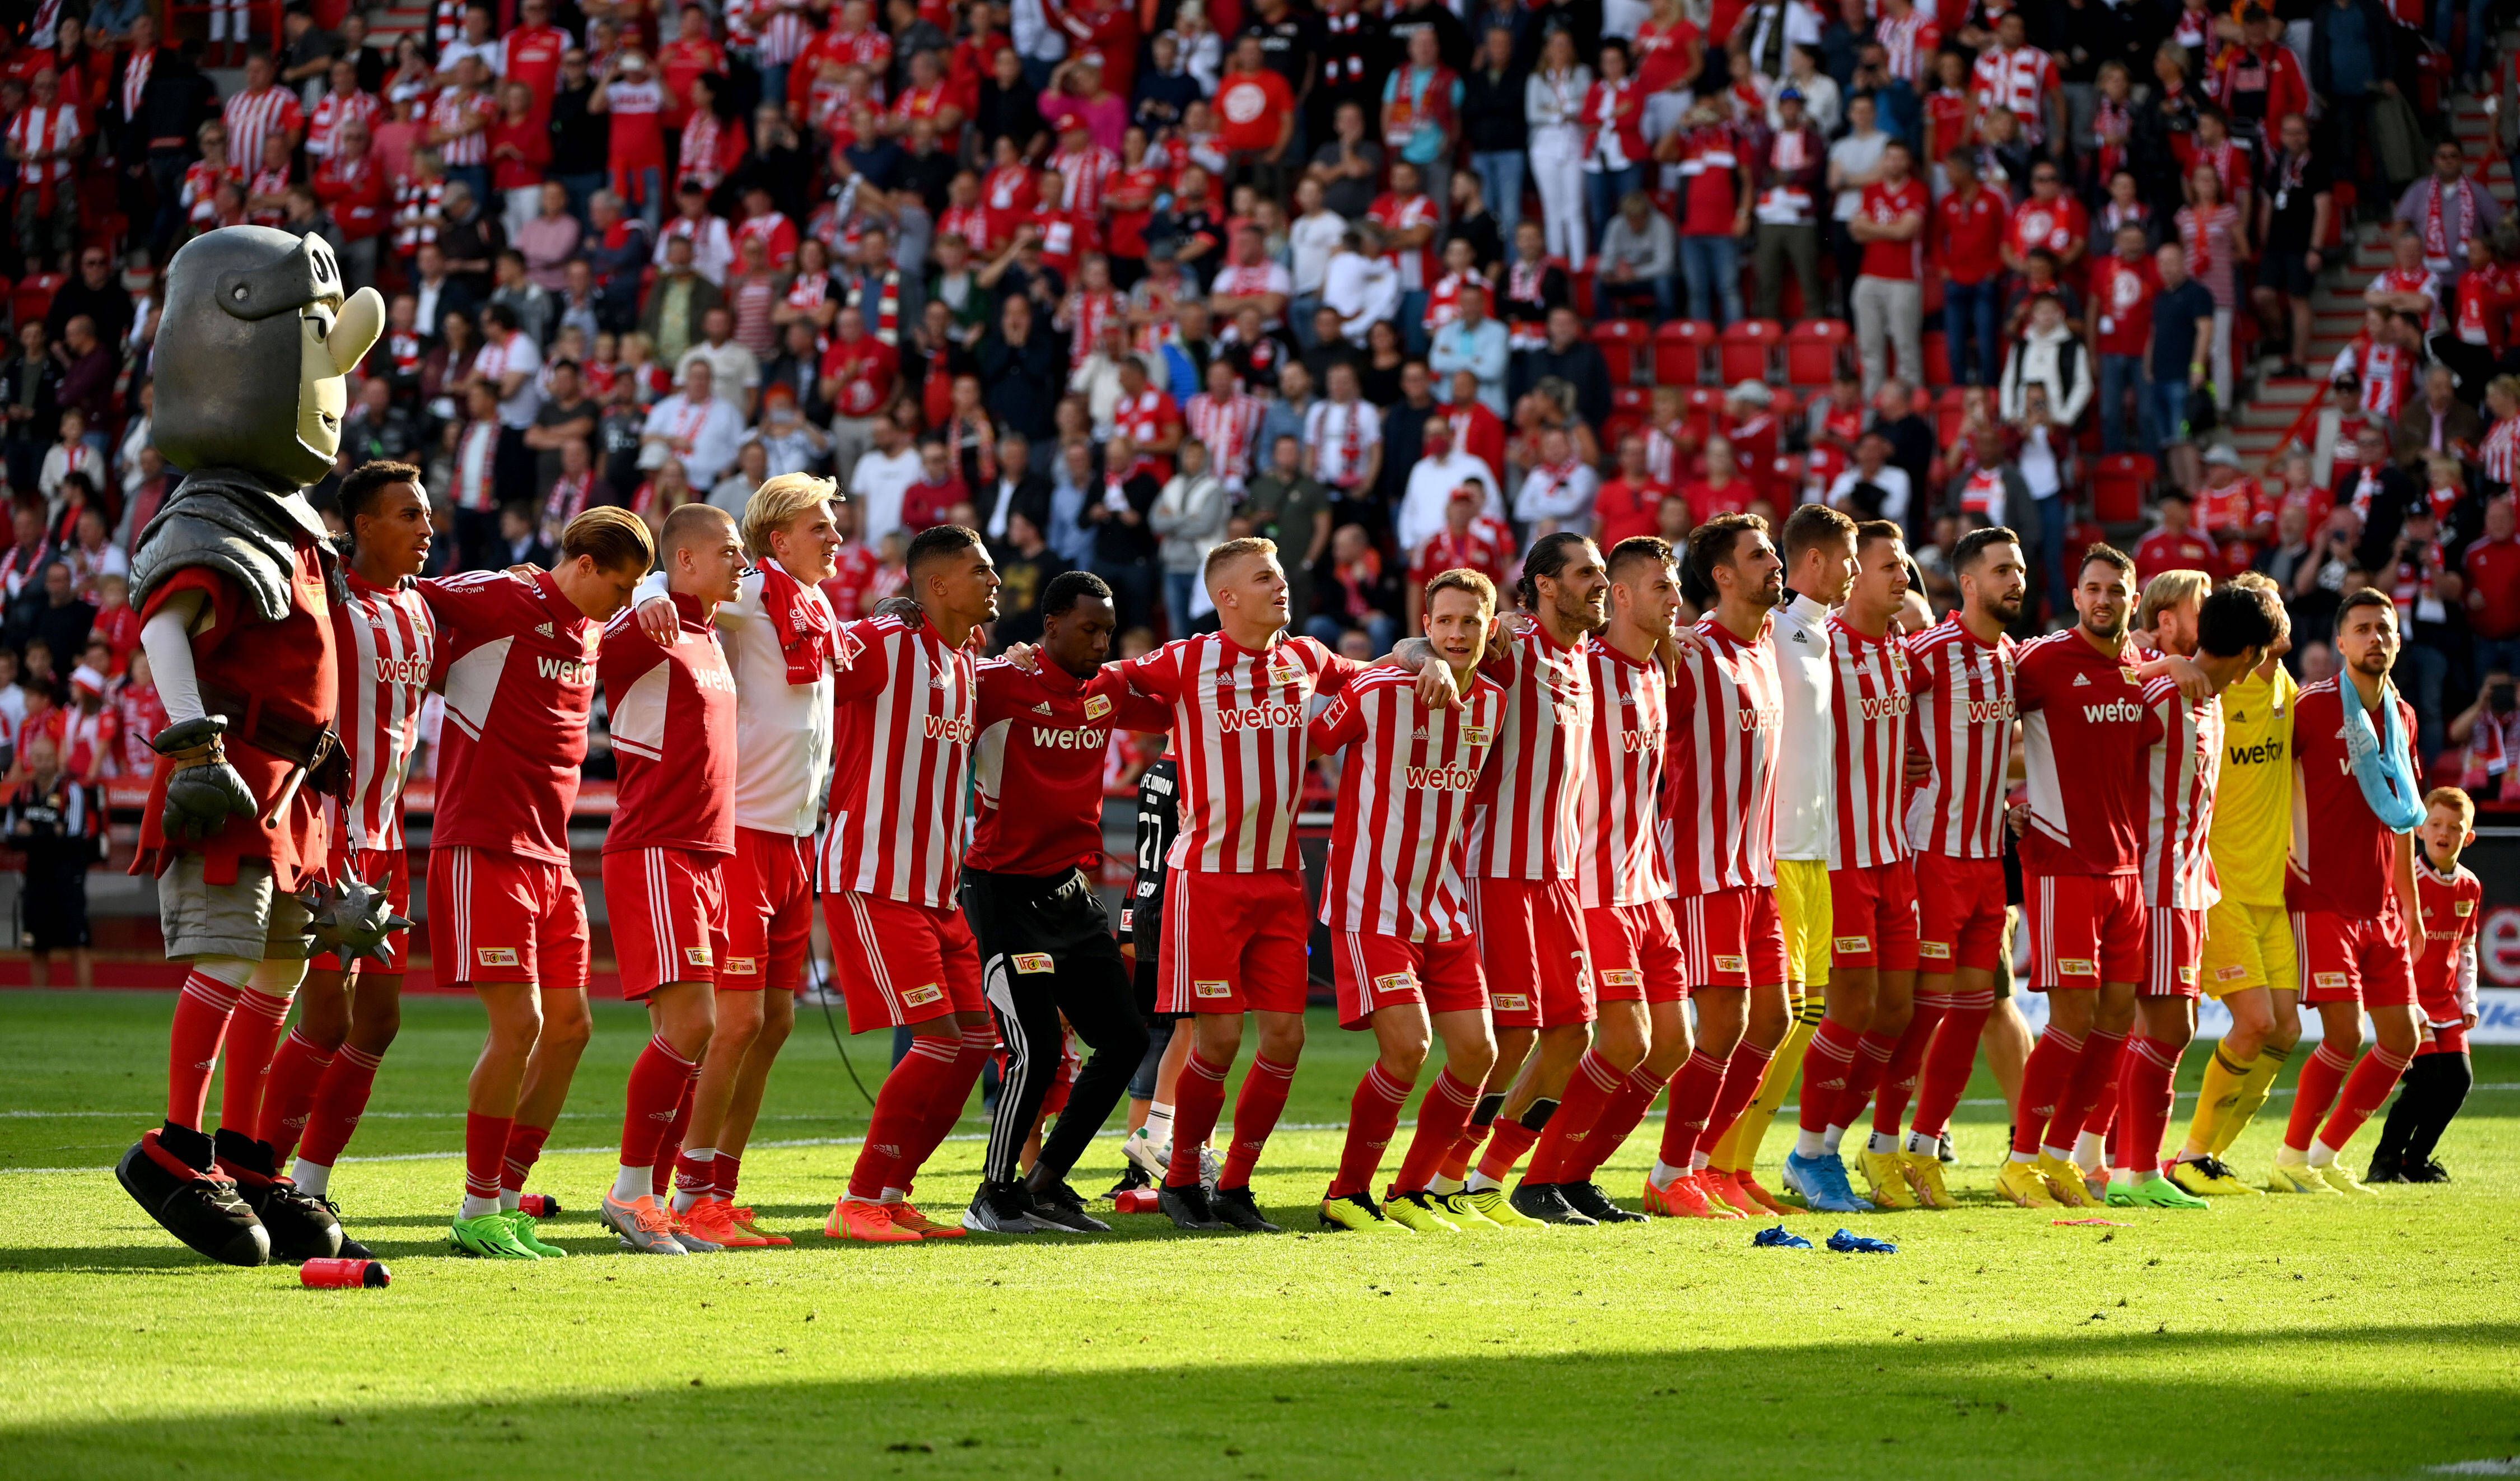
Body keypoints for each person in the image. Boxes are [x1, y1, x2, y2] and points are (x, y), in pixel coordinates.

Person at [1091, 537, 1457, 1231]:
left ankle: (1234, 1184)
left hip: (1282, 883)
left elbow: (1382, 663)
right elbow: (1105, 677)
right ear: (1226, 597)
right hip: (1209, 880)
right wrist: (1023, 661)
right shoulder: (1187, 660)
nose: (1281, 587)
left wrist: (1427, 653)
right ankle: (1180, 1177)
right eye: (1265, 578)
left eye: (1282, 575)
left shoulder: (1306, 657)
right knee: (1219, 1041)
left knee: (1286, 1039)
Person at [620, 476, 846, 1245]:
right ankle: (691, 1190)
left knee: (773, 1021)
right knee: (739, 1017)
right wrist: (651, 583)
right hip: (743, 833)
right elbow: (681, 583)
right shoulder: (755, 592)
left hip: (793, 839)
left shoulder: (817, 606)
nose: (836, 537)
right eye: (820, 526)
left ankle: (721, 1183)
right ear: (777, 540)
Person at [425, 509, 653, 1260]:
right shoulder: (503, 598)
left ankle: (507, 1191)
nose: (619, 608)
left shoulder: (592, 630)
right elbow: (409, 597)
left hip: (549, 860)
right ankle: (475, 1206)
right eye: (615, 589)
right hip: (483, 842)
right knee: (517, 1026)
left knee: (570, 1029)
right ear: (583, 563)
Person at [247, 465, 435, 1249]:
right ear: (361, 524)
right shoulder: (328, 596)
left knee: (380, 1021)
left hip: (388, 840)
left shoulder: (428, 610)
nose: (426, 528)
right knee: (327, 1014)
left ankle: (311, 1186)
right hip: (331, 833)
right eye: (407, 516)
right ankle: (258, 1178)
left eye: (427, 516)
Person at [958, 571, 1167, 1230]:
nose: (1101, 642)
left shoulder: (1107, 689)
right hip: (1002, 889)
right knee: (1038, 1048)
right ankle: (992, 1196)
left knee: (1127, 1036)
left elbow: (1178, 698)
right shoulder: (996, 683)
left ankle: (1043, 1183)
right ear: (1050, 627)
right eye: (1088, 628)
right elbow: (929, 685)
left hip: (1069, 892)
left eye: (1108, 630)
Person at [1308, 569, 1510, 1232]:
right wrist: (1404, 656)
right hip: (1371, 904)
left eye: (1470, 622)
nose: (1456, 633)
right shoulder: (1377, 688)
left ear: (1491, 626)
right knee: (1408, 1048)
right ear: (1426, 626)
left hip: (1443, 905)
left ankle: (1411, 1192)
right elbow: (1312, 741)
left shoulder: (1495, 704)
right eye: (1444, 621)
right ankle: (1347, 1193)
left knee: (1479, 1052)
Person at [819, 525, 1003, 1242]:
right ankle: (858, 1200)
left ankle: (893, 1191)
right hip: (873, 877)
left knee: (974, 1040)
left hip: (936, 888)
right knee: (935, 1039)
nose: (994, 579)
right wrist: (872, 615)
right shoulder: (889, 642)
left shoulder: (962, 661)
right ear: (937, 585)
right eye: (979, 570)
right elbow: (811, 650)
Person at [1513, 537, 1694, 1224]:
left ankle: (1576, 1173)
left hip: (1649, 885)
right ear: (1619, 596)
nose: (1675, 601)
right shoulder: (1580, 665)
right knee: (1622, 1042)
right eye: (1660, 588)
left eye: (1675, 587)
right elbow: (1517, 643)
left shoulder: (1656, 672)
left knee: (1672, 1045)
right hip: (1591, 888)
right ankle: (1530, 1177)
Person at [1429, 532, 1604, 1228]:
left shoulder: (1583, 653)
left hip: (1557, 875)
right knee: (1511, 1035)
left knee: (1573, 1034)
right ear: (1545, 584)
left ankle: (1488, 1181)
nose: (1598, 583)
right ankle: (1437, 1177)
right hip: (1496, 868)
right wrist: (1426, 655)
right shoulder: (1510, 641)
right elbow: (1432, 647)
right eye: (1585, 572)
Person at [593, 504, 744, 1255]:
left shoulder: (711, 636)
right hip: (657, 846)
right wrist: (646, 592)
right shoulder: (650, 627)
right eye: (728, 551)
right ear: (684, 561)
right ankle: (630, 1192)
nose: (741, 561)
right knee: (694, 1027)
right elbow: (582, 642)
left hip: (708, 854)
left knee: (692, 1033)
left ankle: (649, 1201)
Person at [1698, 503, 1855, 1208]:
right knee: (1779, 1019)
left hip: (1817, 850)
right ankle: (1710, 1160)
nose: (1777, 568)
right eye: (1761, 557)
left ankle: (1737, 1165)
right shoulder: (1760, 633)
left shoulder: (1810, 634)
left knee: (1808, 1020)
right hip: (1773, 852)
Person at [1864, 527, 2024, 1208]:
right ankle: (1880, 1147)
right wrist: (1893, 759)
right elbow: (1862, 711)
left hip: (1989, 860)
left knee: (1970, 1010)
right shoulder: (1928, 652)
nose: (2015, 580)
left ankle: (1927, 1149)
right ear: (1968, 584)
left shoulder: (2014, 658)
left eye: (2018, 569)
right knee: (1922, 1013)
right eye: (2000, 571)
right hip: (1930, 854)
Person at [2108, 579, 2280, 1208]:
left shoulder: (2202, 697)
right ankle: (2127, 1168)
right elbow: (2093, 727)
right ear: (2252, 654)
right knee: (2166, 1028)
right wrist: (2160, 663)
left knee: (2163, 1029)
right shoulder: (2162, 691)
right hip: (2155, 884)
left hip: (2188, 884)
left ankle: (2126, 1166)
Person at [1995, 543, 2157, 1210]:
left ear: (2133, 600)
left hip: (2127, 868)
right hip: (2062, 862)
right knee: (2072, 1018)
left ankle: (2061, 1157)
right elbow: (1976, 723)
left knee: (2118, 1019)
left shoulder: (2139, 669)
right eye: (2092, 588)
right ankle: (2021, 1158)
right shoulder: (2040, 660)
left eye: (2115, 591)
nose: (2102, 600)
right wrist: (2006, 801)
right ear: (2077, 594)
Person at [1774, 520, 1919, 1214]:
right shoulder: (1816, 646)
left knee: (1896, 1010)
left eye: (1905, 564)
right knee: (1851, 1006)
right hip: (1841, 857)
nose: (1902, 575)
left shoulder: (1899, 649)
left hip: (1896, 856)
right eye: (1888, 564)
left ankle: (1828, 1140)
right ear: (1851, 572)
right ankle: (1809, 1152)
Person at [2272, 589, 2426, 1194]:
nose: (2376, 639)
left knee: (2402, 1038)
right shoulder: (2308, 709)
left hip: (2381, 903)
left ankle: (2323, 1155)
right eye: (2362, 629)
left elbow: (2406, 814)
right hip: (2321, 898)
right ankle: (2289, 1157)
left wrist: (2409, 902)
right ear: (2340, 642)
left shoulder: (2404, 716)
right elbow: (2264, 787)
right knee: (2343, 1034)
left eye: (2384, 629)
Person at [2366, 786, 2482, 1182]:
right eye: (2435, 824)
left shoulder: (2470, 887)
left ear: (2468, 838)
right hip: (2409, 999)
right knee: (2426, 1079)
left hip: (2447, 1003)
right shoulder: (2405, 881)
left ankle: (2414, 1161)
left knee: (2459, 1081)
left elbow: (2465, 947)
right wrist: (2406, 1003)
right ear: (2419, 830)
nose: (2443, 832)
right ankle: (2384, 1162)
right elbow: (2390, 947)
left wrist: (2469, 1001)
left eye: (2454, 826)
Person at [1849, 139, 1925, 393]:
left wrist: (1874, 230)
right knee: (1870, 348)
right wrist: (1890, 230)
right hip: (1869, 276)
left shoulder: (1917, 190)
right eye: (1890, 157)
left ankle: (1910, 405)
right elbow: (1857, 232)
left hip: (1904, 278)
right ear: (1884, 160)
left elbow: (1906, 231)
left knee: (1906, 347)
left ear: (1908, 162)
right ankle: (1872, 407)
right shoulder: (1871, 190)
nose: (1894, 163)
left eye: (1899, 158)